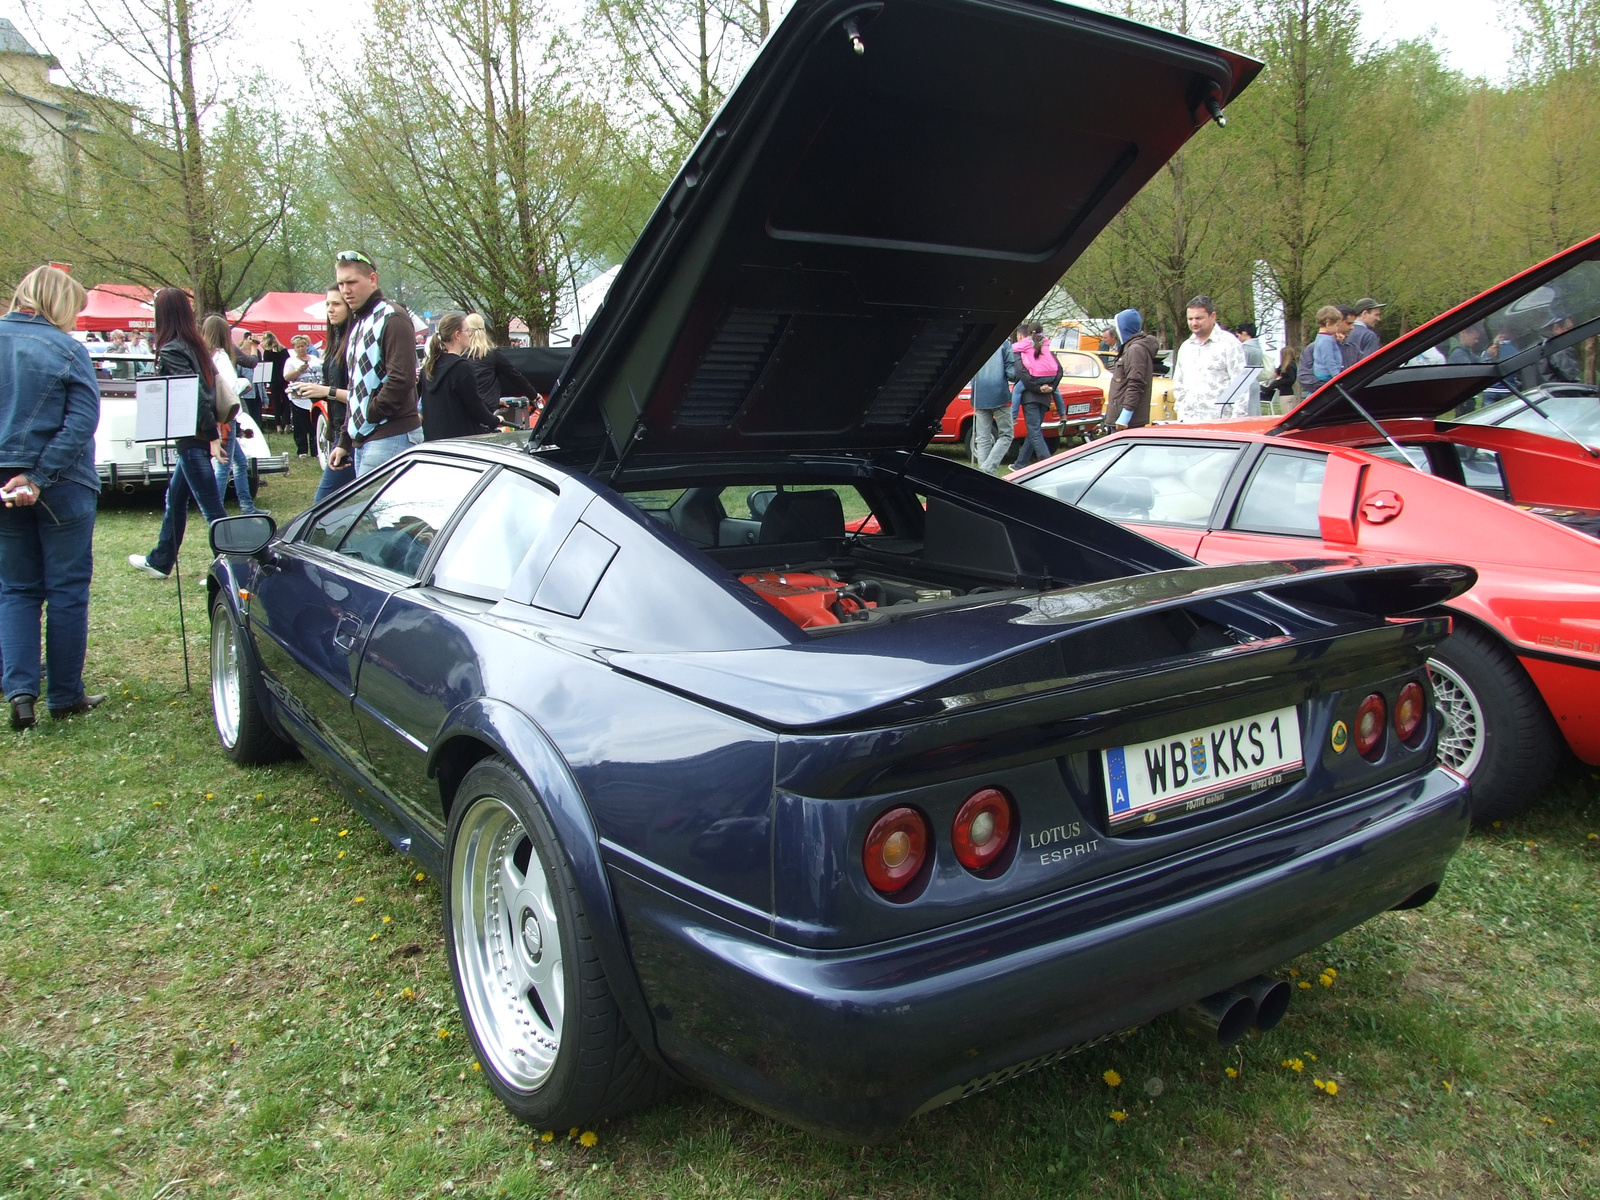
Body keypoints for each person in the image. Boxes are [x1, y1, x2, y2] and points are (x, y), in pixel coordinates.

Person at [0, 266, 104, 729]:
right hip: (63, 483)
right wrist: (38, 476)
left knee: (17, 589)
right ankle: (64, 694)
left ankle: (20, 691)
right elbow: (81, 421)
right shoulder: (67, 349)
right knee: (65, 589)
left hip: (7, 482)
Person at [127, 289, 228, 580]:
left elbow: (194, 395)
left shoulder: (172, 348)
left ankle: (232, 567)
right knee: (177, 499)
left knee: (212, 509)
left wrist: (211, 435)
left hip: (193, 433)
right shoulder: (194, 344)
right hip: (197, 433)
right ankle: (161, 559)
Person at [327, 251, 421, 476]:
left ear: (372, 279)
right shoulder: (361, 321)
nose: (345, 290)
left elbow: (402, 379)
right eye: (341, 283)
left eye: (351, 282)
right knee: (370, 510)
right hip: (368, 437)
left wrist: (370, 414)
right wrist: (345, 439)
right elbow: (357, 388)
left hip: (391, 435)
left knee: (378, 511)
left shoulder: (392, 317)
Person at [295, 287, 357, 504]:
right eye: (328, 304)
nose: (330, 310)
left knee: (323, 505)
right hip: (339, 432)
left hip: (356, 436)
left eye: (336, 304)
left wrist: (325, 391)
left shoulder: (355, 341)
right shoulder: (334, 342)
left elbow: (363, 396)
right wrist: (312, 390)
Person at [203, 314, 265, 517]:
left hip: (220, 416)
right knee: (224, 465)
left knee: (239, 461)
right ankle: (217, 511)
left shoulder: (207, 356)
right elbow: (229, 388)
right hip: (226, 417)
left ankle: (247, 505)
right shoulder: (220, 357)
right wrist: (243, 384)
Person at [421, 313, 501, 441]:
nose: (470, 334)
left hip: (433, 442)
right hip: (460, 442)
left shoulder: (429, 366)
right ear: (457, 335)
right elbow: (474, 405)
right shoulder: (461, 367)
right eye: (468, 330)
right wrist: (494, 420)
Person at [1170, 295, 1246, 422]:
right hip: (1190, 423)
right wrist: (1182, 414)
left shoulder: (1229, 344)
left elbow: (1241, 387)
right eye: (1190, 318)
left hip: (1220, 424)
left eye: (1199, 318)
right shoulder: (1186, 347)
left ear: (1213, 316)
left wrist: (1236, 422)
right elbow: (1179, 384)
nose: (1194, 323)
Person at [460, 313, 538, 425]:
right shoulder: (492, 354)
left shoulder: (461, 357)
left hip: (466, 411)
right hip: (487, 410)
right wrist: (533, 395)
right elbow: (515, 376)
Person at [1009, 322, 1061, 469]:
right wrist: (1050, 386)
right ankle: (1020, 464)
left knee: (1034, 431)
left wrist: (1038, 388)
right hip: (1045, 394)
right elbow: (1059, 370)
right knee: (1034, 431)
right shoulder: (1047, 346)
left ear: (1020, 335)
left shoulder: (1021, 349)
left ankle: (1048, 463)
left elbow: (1022, 374)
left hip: (1031, 395)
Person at [967, 334, 1017, 473]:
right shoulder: (1004, 344)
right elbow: (1012, 373)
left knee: (983, 438)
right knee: (1006, 435)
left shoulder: (976, 343)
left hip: (979, 394)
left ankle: (983, 473)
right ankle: (987, 469)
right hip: (999, 394)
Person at [1106, 308, 1158, 430]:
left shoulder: (1135, 349)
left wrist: (1125, 415)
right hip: (1122, 418)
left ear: (1124, 327)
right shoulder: (1131, 348)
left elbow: (1135, 383)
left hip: (1128, 423)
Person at [285, 334, 321, 457]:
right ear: (294, 348)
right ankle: (302, 450)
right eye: (298, 347)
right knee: (300, 425)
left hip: (315, 396)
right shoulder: (291, 361)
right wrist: (299, 370)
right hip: (299, 398)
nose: (300, 349)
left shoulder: (315, 358)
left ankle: (315, 450)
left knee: (314, 425)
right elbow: (287, 377)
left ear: (307, 346)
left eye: (302, 346)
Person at [257, 331, 290, 431]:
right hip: (284, 378)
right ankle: (287, 424)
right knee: (286, 401)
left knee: (276, 402)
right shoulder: (284, 350)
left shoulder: (267, 352)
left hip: (273, 379)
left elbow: (266, 365)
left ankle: (278, 425)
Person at [1311, 305, 1345, 383]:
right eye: (1337, 325)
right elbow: (1328, 358)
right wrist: (1336, 375)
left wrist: (1338, 341)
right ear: (1328, 324)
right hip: (1326, 373)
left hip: (1322, 372)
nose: (1337, 328)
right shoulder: (1326, 340)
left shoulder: (1321, 337)